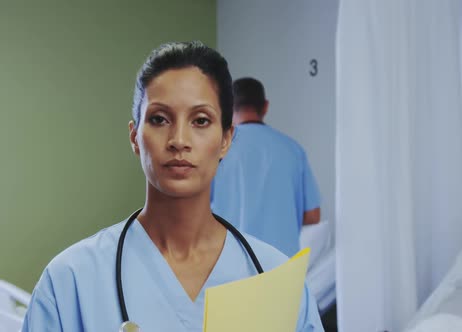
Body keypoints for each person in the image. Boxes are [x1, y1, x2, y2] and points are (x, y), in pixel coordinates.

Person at [21, 42, 323, 331]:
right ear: (134, 137)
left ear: (226, 139)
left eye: (201, 120)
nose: (179, 140)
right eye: (159, 119)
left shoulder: (277, 281)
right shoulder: (69, 281)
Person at [211, 77, 321, 257]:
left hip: (232, 263)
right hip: (282, 267)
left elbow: (196, 210)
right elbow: (313, 215)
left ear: (228, 108)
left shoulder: (217, 149)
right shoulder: (293, 150)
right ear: (265, 106)